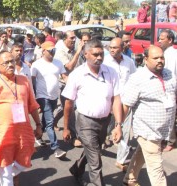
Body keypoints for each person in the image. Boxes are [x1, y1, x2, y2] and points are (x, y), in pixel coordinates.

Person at [62, 39, 123, 186]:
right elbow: (68, 103)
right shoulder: (77, 74)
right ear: (85, 54)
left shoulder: (111, 72)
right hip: (85, 122)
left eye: (101, 54)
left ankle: (77, 169)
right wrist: (65, 128)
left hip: (105, 121)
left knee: (93, 150)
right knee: (95, 160)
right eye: (95, 54)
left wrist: (118, 125)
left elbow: (116, 98)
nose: (99, 58)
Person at [0, 51, 42, 186]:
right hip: (2, 133)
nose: (10, 65)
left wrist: (38, 124)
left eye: (12, 61)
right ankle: (6, 176)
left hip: (23, 131)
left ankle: (7, 174)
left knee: (25, 161)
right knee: (5, 169)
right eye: (5, 63)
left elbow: (32, 105)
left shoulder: (24, 80)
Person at [122, 46, 175, 186]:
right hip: (147, 129)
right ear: (146, 59)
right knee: (156, 167)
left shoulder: (169, 74)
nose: (160, 61)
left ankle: (129, 179)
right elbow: (126, 104)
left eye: (161, 57)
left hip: (164, 130)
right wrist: (118, 126)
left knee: (141, 154)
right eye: (155, 58)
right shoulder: (137, 79)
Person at [103, 38, 136, 172]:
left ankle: (121, 159)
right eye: (110, 47)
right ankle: (99, 144)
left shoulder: (129, 62)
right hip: (109, 102)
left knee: (125, 130)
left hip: (126, 102)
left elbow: (134, 79)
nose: (112, 50)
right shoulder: (104, 63)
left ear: (122, 48)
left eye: (115, 47)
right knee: (106, 128)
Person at [31, 41, 67, 158]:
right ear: (43, 51)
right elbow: (32, 82)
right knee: (50, 122)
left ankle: (38, 135)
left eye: (54, 50)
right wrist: (33, 98)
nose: (53, 52)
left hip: (54, 96)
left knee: (47, 120)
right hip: (42, 96)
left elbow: (64, 77)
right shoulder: (36, 64)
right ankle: (55, 147)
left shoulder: (58, 63)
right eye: (50, 50)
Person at [54, 31, 85, 146]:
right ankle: (72, 137)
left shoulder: (75, 47)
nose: (74, 40)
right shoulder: (60, 50)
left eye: (75, 38)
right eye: (71, 38)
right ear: (64, 39)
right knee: (70, 109)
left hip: (76, 83)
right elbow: (70, 66)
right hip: (64, 84)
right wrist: (78, 52)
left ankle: (54, 121)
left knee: (67, 107)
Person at [158, 29, 177, 152]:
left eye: (162, 39)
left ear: (170, 40)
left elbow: (169, 75)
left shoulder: (171, 55)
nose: (159, 41)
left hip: (171, 89)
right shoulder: (167, 54)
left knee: (169, 116)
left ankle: (171, 141)